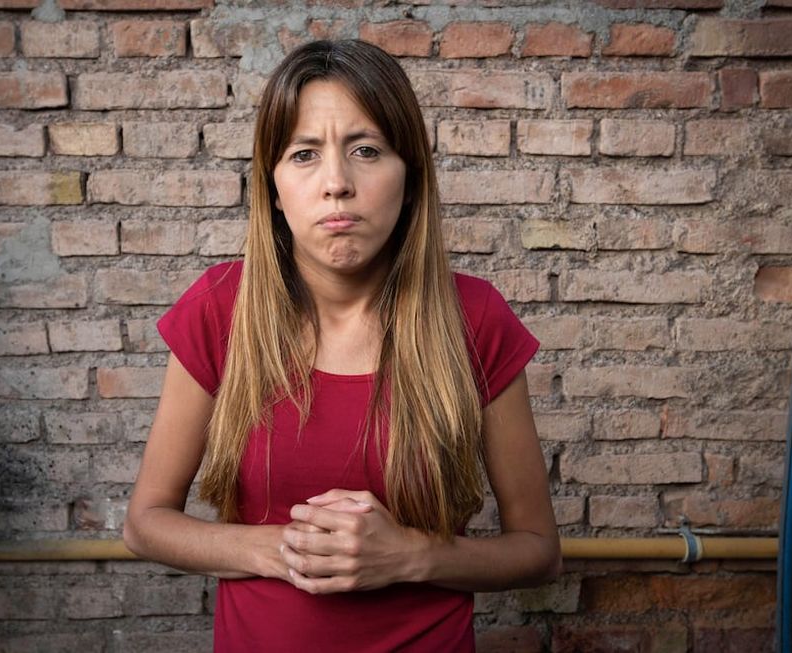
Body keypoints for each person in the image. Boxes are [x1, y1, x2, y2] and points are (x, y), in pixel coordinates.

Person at [123, 39, 561, 652]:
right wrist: (284, 548)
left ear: (409, 179)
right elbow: (145, 525)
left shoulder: (475, 318)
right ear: (273, 189)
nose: (337, 184)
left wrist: (410, 557)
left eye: (366, 151)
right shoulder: (221, 308)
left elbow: (538, 551)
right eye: (304, 154)